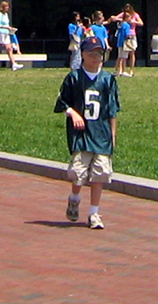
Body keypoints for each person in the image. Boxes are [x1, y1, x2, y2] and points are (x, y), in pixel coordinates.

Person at [54, 36, 120, 230]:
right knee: (78, 173)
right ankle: (74, 197)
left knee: (100, 174)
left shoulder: (108, 79)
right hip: (81, 135)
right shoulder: (74, 78)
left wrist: (113, 135)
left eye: (100, 53)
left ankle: (94, 213)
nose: (96, 57)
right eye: (92, 53)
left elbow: (112, 109)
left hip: (101, 134)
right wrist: (72, 112)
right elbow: (61, 102)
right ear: (82, 54)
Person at [0, 1, 20, 72]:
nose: (8, 8)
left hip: (5, 34)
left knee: (9, 49)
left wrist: (10, 28)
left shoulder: (6, 15)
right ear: (3, 7)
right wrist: (7, 27)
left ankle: (14, 64)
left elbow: (7, 24)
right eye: (6, 6)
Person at [113, 5, 140, 78]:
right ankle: (122, 70)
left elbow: (141, 23)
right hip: (126, 40)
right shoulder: (126, 25)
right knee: (123, 56)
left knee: (126, 54)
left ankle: (120, 70)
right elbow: (114, 18)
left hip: (124, 39)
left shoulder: (134, 16)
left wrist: (134, 21)